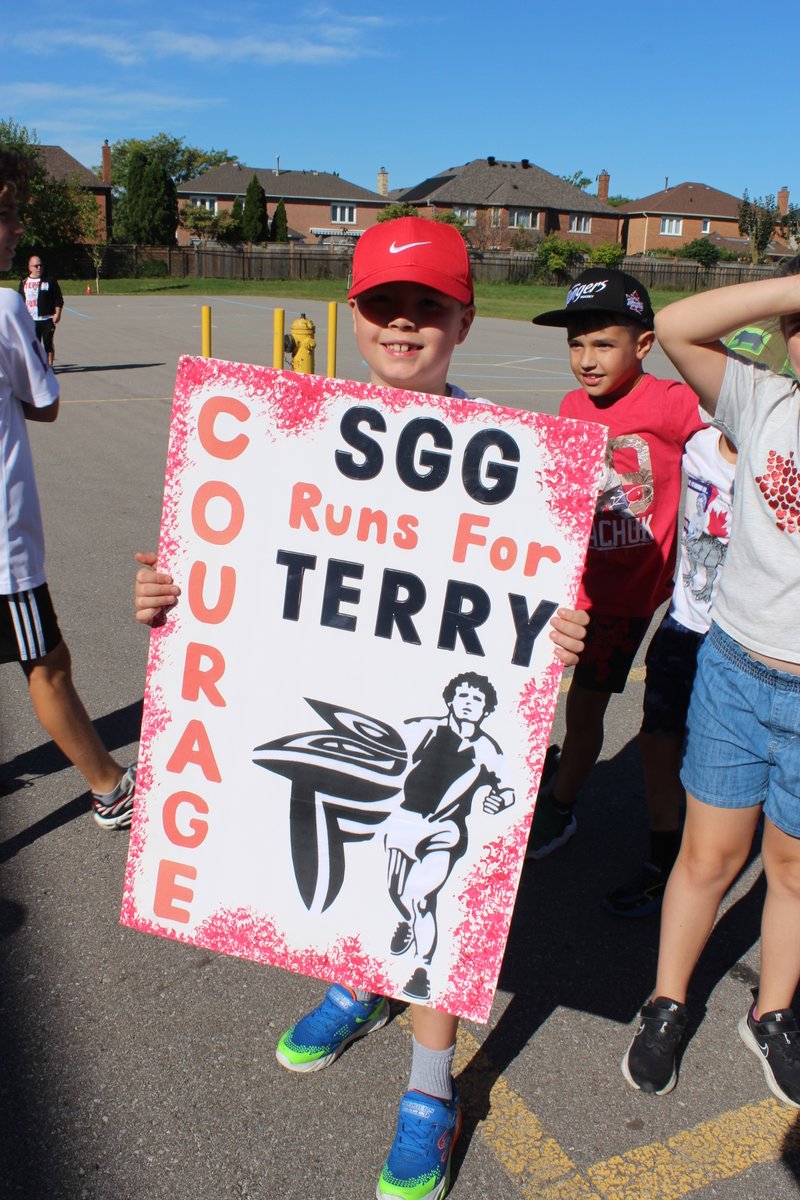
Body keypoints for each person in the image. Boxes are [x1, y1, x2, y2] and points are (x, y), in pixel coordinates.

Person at [134, 217, 590, 1200]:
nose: (403, 324)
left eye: (428, 306)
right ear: (351, 317)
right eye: (384, 305)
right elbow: (242, 570)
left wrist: (561, 630)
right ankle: (357, 979)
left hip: (436, 736)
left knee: (438, 912)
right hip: (361, 730)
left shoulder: (510, 462)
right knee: (357, 865)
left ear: (463, 322)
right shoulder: (289, 437)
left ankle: (431, 1090)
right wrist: (174, 597)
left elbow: (540, 593)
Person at [621, 256, 800, 1108]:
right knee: (708, 857)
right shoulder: (763, 400)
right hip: (737, 671)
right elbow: (678, 324)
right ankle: (667, 1003)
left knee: (792, 868)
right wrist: (793, 292)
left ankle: (772, 1013)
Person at [525, 268, 706, 859]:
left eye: (604, 344)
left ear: (644, 344)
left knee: (584, 709)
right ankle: (540, 771)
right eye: (576, 344)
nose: (586, 359)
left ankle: (561, 806)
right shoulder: (570, 405)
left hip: (624, 597)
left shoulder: (673, 403)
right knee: (538, 694)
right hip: (573, 584)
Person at [0, 150, 135, 830]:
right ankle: (110, 787)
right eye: (8, 214)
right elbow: (46, 403)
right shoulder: (4, 308)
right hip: (4, 551)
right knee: (48, 665)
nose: (18, 228)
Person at [603, 426, 736, 917]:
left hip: (742, 640)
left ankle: (704, 868)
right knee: (657, 741)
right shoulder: (696, 438)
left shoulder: (778, 453)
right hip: (685, 623)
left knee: (716, 765)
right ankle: (663, 860)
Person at [19, 253, 63, 367]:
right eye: (36, 266)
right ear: (30, 267)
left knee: (48, 343)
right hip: (31, 320)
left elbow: (58, 298)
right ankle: (37, 366)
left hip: (47, 319)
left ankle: (50, 366)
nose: (39, 268)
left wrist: (58, 313)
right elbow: (20, 301)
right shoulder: (24, 282)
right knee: (35, 345)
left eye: (41, 265)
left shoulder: (49, 280)